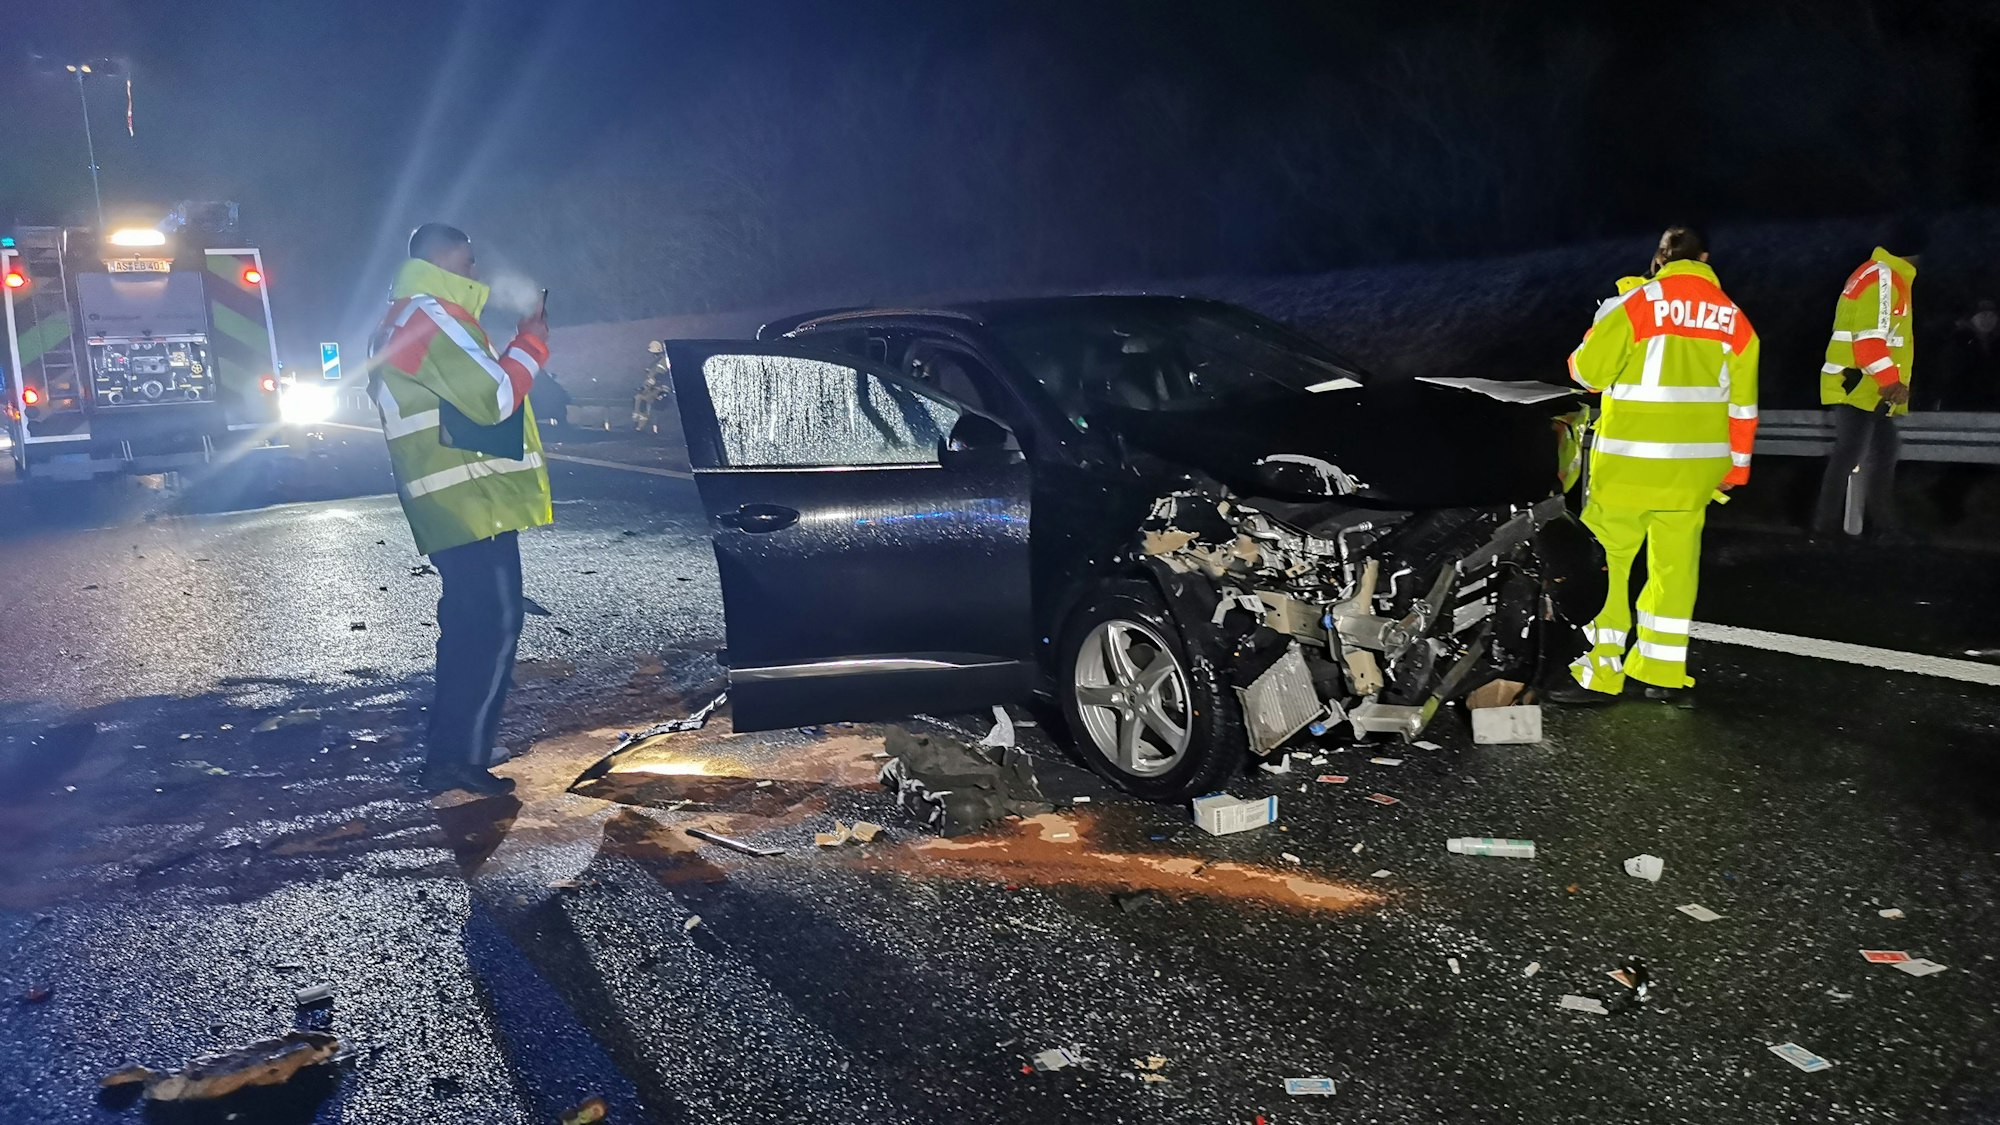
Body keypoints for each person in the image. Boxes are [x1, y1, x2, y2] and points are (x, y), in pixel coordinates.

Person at [369, 223, 552, 795]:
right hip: (471, 499)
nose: (476, 274)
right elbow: (496, 397)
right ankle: (459, 759)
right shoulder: (428, 314)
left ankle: (456, 743)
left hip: (452, 498)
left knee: (469, 624)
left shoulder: (405, 318)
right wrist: (533, 339)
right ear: (444, 262)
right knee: (490, 625)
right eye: (468, 263)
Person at [1546, 225, 1759, 706]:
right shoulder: (1733, 319)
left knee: (1608, 564)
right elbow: (1743, 406)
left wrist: (1605, 321)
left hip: (1630, 467)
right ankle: (1662, 673)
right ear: (1704, 257)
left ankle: (1600, 674)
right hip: (1694, 474)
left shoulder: (1638, 304)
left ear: (1659, 258)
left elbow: (1587, 373)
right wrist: (1735, 470)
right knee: (1675, 569)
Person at [1810, 222, 1923, 541]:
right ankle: (1824, 532)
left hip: (1863, 385)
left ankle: (1880, 529)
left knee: (1878, 453)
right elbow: (1869, 341)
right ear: (1913, 253)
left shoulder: (1878, 273)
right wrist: (1892, 382)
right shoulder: (1884, 277)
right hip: (1859, 385)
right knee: (1852, 455)